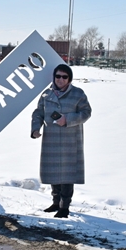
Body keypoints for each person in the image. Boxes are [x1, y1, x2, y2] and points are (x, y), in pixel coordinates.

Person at [31, 64, 91, 218]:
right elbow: (38, 113)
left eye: (64, 77)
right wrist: (35, 129)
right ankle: (56, 202)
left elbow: (86, 112)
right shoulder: (46, 95)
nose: (61, 79)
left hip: (70, 140)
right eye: (58, 76)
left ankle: (65, 207)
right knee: (53, 171)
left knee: (66, 174)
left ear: (69, 78)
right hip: (51, 139)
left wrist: (68, 120)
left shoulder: (78, 94)